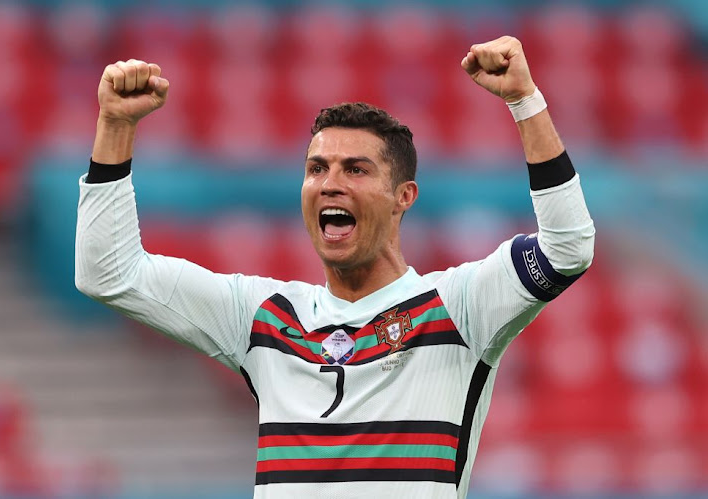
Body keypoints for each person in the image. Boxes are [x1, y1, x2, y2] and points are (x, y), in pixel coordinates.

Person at [75, 36, 595, 499]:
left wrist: (525, 102)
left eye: (356, 169)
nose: (330, 183)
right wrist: (115, 128)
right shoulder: (263, 318)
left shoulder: (459, 306)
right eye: (316, 168)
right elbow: (107, 273)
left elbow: (569, 247)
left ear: (403, 197)